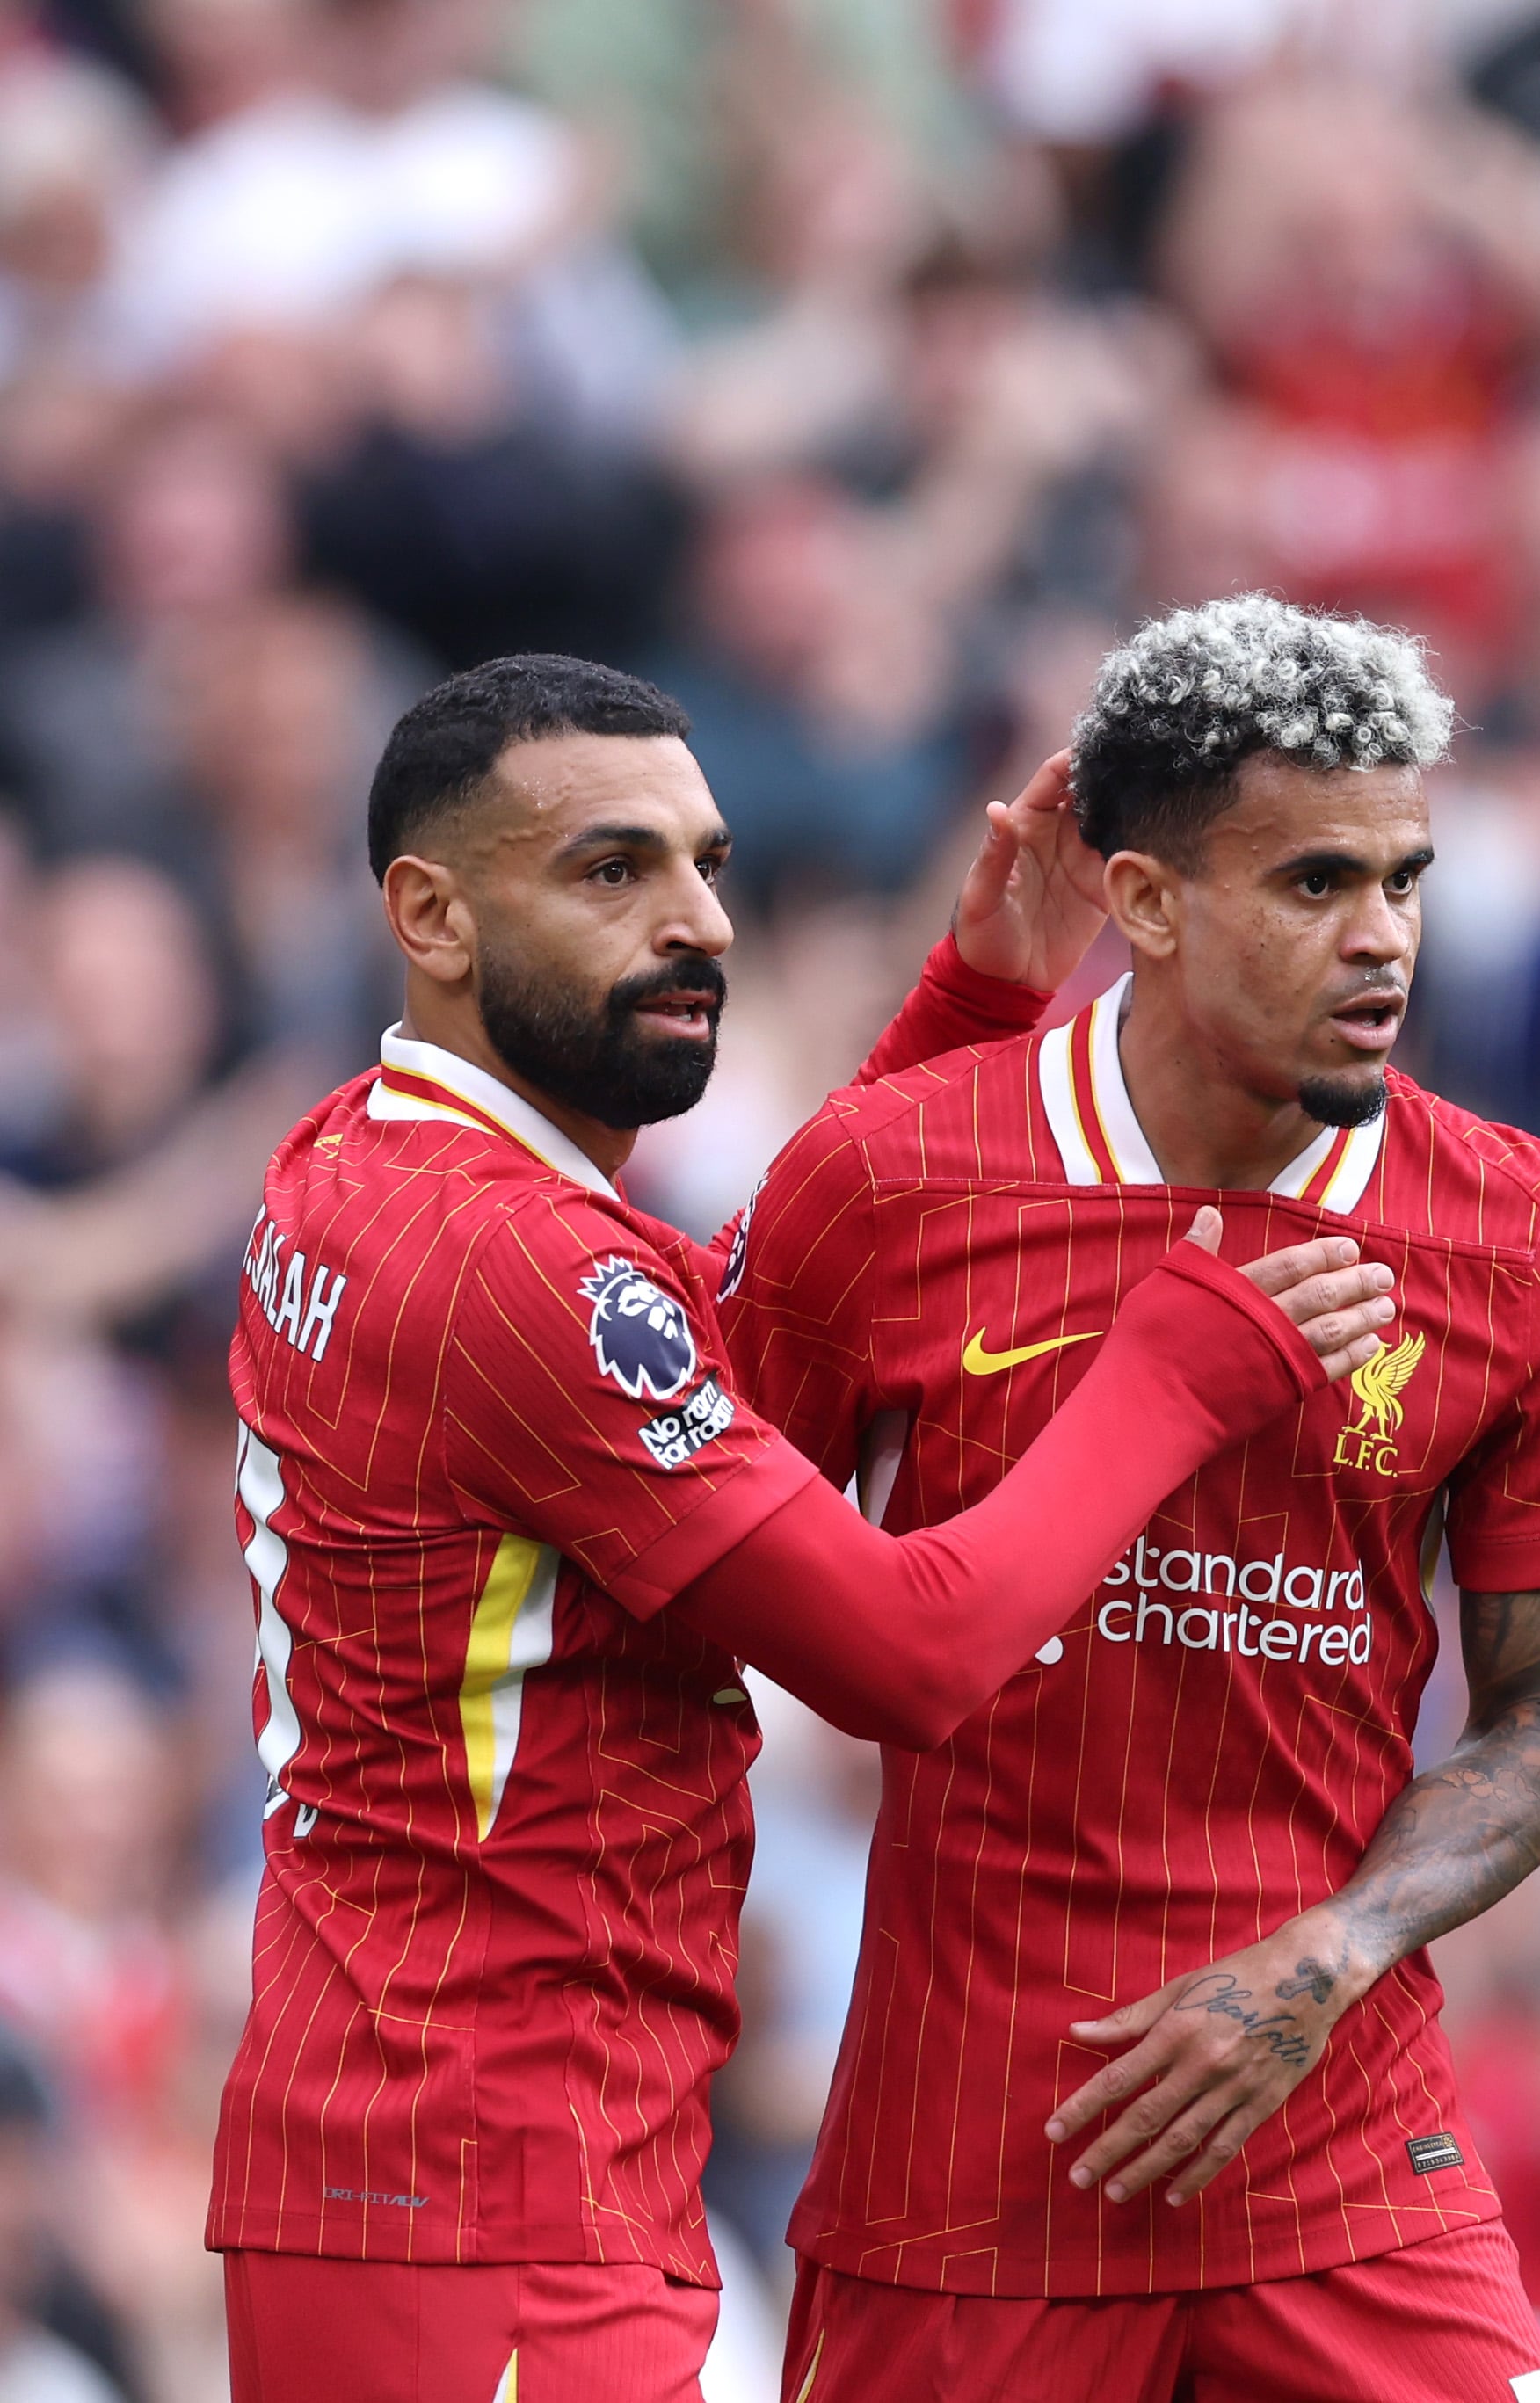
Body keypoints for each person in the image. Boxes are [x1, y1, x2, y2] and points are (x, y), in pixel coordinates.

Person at [213, 654, 1398, 2403]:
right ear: (433, 915)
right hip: (486, 2181)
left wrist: (971, 1013)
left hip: (426, 2152)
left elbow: (701, 1361)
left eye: (708, 863)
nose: (696, 919)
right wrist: (1174, 1369)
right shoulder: (520, 1261)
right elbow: (907, 1651)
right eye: (612, 871)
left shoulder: (359, 1156)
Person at [720, 596, 1540, 2399]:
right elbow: (691, 1537)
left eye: (1405, 877)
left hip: (1344, 2143)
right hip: (971, 2176)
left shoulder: (1518, 1229)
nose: (1382, 937)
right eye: (1312, 884)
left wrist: (1335, 1946)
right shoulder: (901, 1173)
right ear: (1141, 900)